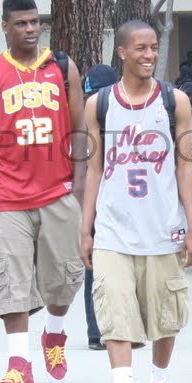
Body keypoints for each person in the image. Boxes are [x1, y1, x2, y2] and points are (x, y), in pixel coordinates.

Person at [80, 20, 192, 383]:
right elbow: (93, 169)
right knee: (115, 314)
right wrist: (86, 226)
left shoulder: (175, 102)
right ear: (122, 53)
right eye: (140, 48)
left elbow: (185, 167)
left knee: (166, 317)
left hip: (162, 227)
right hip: (113, 229)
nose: (149, 55)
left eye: (153, 48)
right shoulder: (99, 104)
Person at [0, 0, 87, 383]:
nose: (31, 29)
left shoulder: (62, 66)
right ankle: (19, 365)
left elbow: (80, 131)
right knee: (10, 278)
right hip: (9, 196)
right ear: (5, 27)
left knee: (63, 280)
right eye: (21, 23)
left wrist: (82, 189)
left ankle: (54, 334)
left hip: (57, 191)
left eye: (35, 21)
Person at [82, 63, 119, 350]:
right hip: (106, 202)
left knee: (94, 268)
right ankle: (105, 329)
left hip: (93, 203)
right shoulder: (119, 117)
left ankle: (96, 331)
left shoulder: (82, 119)